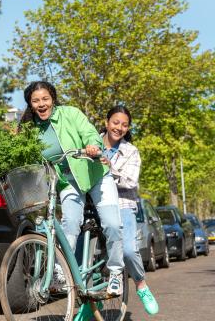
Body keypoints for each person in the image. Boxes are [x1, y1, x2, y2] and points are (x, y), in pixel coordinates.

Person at [20, 81, 125, 301]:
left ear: (53, 99)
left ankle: (116, 271)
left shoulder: (70, 114)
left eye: (45, 99)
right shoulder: (30, 130)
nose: (41, 104)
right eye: (36, 100)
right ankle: (61, 272)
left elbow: (90, 134)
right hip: (67, 182)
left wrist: (92, 146)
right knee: (68, 224)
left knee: (112, 224)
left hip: (95, 174)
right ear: (30, 104)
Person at [101, 105, 159, 315]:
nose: (119, 127)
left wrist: (109, 167)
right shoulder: (92, 143)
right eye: (116, 122)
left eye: (124, 125)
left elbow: (131, 181)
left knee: (127, 250)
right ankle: (90, 303)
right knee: (88, 255)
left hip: (123, 204)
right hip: (95, 206)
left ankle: (141, 285)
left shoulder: (131, 151)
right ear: (106, 122)